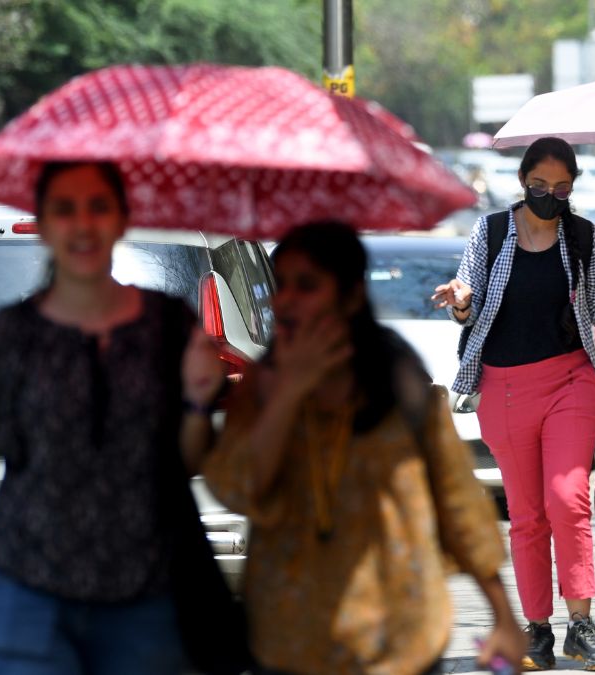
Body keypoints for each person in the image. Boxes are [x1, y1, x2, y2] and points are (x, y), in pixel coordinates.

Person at [0, 161, 224, 673]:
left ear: (123, 220)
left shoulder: (168, 326)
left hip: (143, 595)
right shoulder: (11, 335)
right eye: (64, 209)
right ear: (46, 224)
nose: (82, 225)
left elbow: (186, 461)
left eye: (98, 207)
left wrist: (196, 402)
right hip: (27, 594)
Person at [202, 223, 523, 675]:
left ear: (350, 295)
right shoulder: (266, 381)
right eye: (283, 284)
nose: (289, 299)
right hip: (293, 631)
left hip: (396, 631)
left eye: (307, 285)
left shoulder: (398, 377)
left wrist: (503, 616)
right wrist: (288, 395)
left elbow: (457, 497)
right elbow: (233, 485)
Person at [431, 137, 595, 671]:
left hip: (571, 380)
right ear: (523, 182)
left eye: (562, 188)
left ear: (572, 187)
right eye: (540, 186)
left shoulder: (582, 235)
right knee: (527, 516)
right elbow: (469, 300)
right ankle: (539, 630)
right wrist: (460, 302)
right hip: (503, 389)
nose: (551, 196)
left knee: (567, 497)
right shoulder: (492, 231)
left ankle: (581, 623)